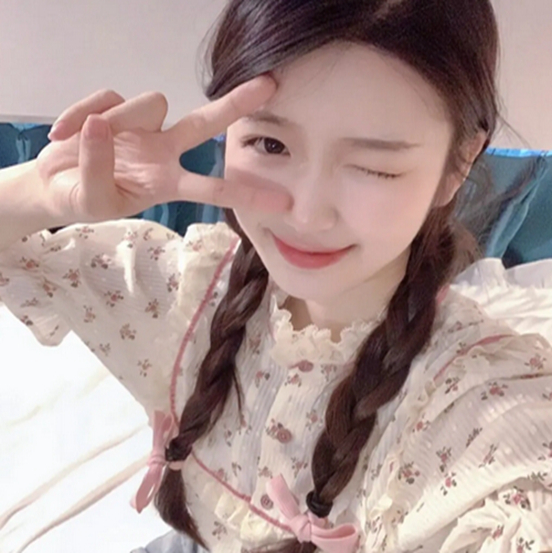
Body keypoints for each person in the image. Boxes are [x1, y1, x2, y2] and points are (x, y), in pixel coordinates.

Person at [0, 0, 551, 552]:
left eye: (373, 167)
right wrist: (41, 192)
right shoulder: (188, 289)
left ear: (460, 163)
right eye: (270, 144)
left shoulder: (475, 402)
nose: (306, 215)